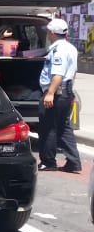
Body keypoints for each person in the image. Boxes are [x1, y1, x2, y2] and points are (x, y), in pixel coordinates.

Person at [38, 17, 81, 173]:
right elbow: (73, 72)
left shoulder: (58, 50)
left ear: (52, 33)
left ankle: (48, 162)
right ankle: (73, 161)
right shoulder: (71, 48)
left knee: (48, 127)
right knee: (64, 127)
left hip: (56, 92)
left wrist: (50, 93)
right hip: (66, 91)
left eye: (49, 32)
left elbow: (58, 74)